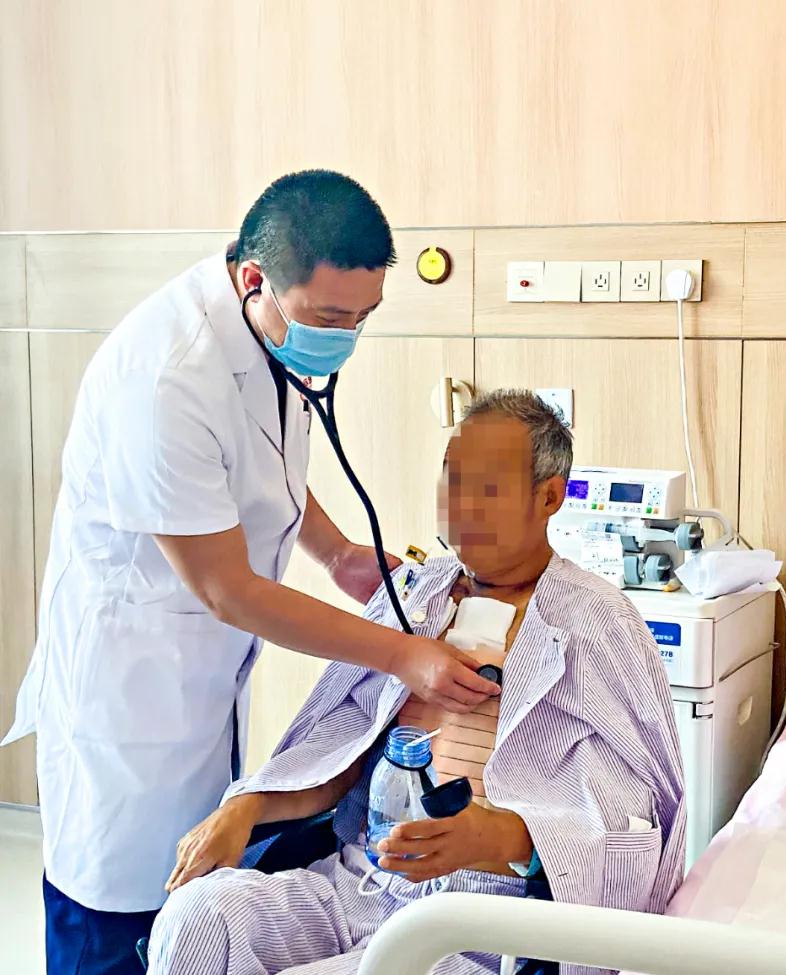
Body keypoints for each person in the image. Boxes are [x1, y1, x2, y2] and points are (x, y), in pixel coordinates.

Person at [1, 170, 499, 975]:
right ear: (253, 279)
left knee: (194, 900)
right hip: (127, 696)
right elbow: (225, 588)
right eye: (331, 318)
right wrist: (403, 654)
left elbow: (260, 465)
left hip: (200, 687)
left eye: (365, 316)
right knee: (113, 917)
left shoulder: (268, 333)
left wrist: (337, 553)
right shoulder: (165, 376)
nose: (347, 336)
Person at [148, 390, 686, 975]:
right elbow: (342, 750)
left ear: (549, 497)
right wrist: (248, 806)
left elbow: (636, 819)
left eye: (488, 487)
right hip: (361, 881)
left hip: (481, 919)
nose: (462, 504)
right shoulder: (415, 595)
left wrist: (500, 837)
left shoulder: (597, 622)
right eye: (454, 479)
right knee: (198, 916)